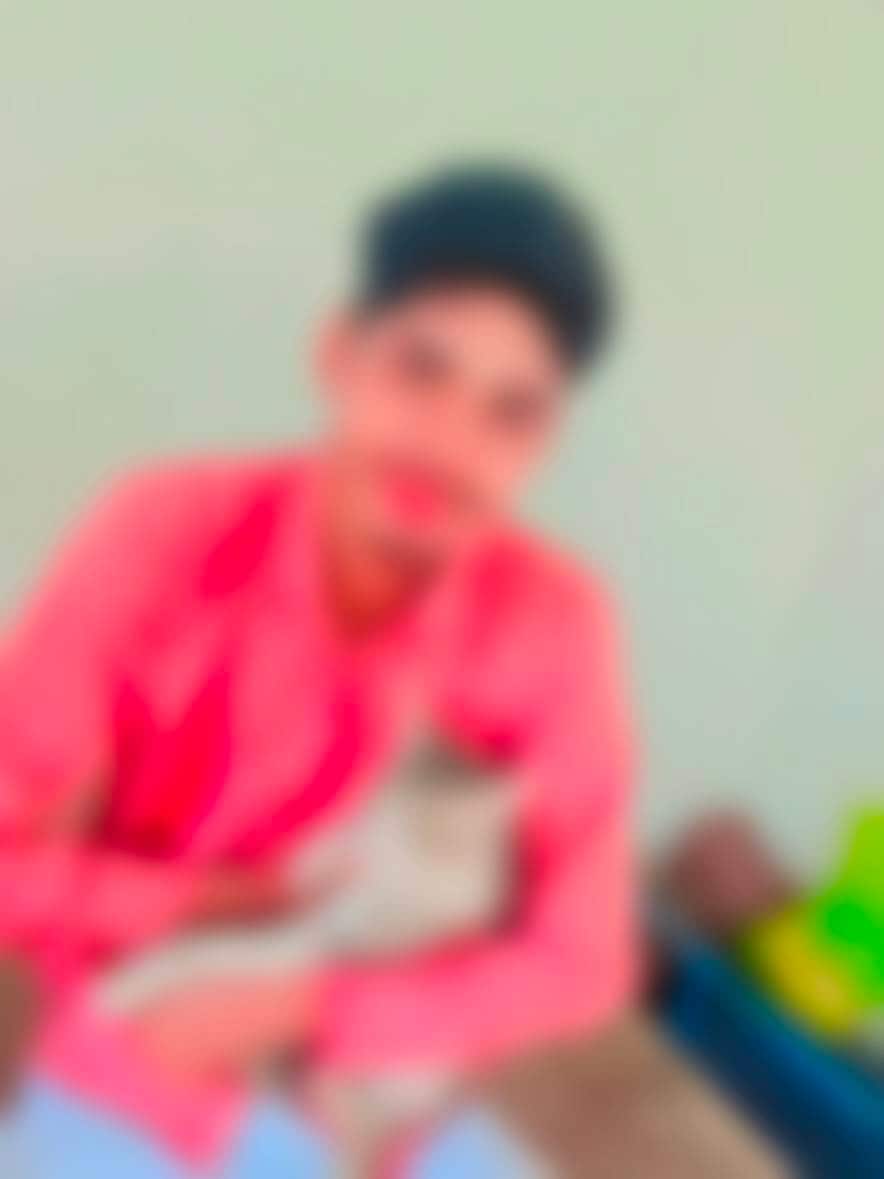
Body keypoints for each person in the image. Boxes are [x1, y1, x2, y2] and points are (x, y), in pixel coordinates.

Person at [0, 163, 636, 1171]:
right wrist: (204, 905)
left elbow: (585, 960)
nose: (448, 444)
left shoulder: (550, 623)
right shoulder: (164, 531)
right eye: (421, 371)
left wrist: (307, 1003)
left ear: (544, 444)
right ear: (339, 353)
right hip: (141, 1058)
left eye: (508, 413)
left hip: (385, 1092)